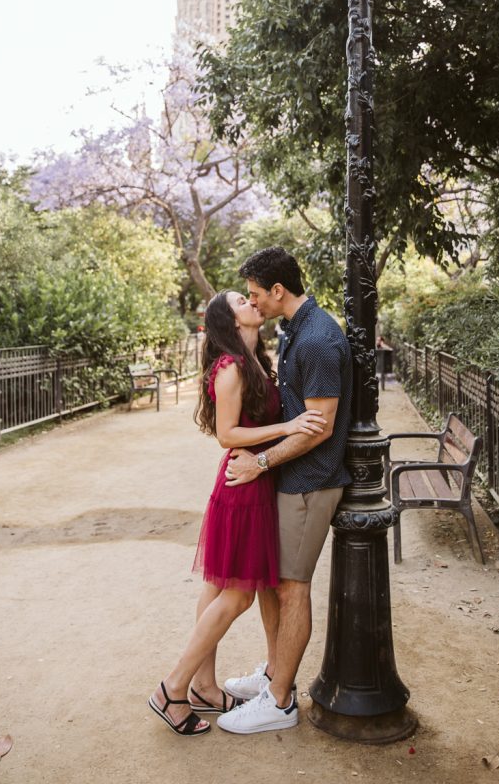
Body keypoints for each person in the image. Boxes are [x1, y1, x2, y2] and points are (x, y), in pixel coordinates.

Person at [148, 289, 326, 737]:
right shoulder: (230, 368)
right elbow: (228, 434)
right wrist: (289, 425)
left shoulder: (253, 363)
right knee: (238, 594)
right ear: (230, 322)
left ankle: (204, 686)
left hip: (252, 482)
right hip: (242, 487)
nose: (252, 304)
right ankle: (172, 689)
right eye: (240, 303)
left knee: (217, 587)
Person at [216, 246, 352, 736]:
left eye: (255, 294)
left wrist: (261, 462)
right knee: (276, 583)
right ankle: (277, 674)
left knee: (292, 589)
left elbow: (319, 427)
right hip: (290, 481)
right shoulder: (295, 329)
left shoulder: (317, 339)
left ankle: (279, 703)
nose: (253, 302)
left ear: (278, 290)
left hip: (311, 482)